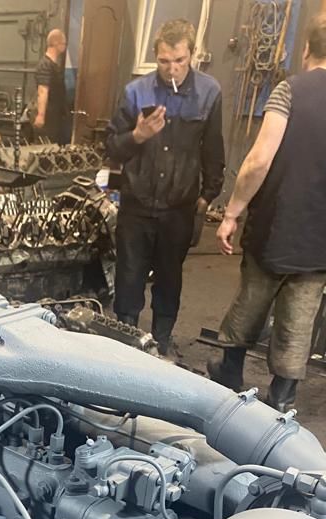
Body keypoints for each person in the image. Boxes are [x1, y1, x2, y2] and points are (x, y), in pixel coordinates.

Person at [211, 14, 326, 412]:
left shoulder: (288, 91)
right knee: (301, 317)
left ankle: (229, 375)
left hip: (276, 227)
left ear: (306, 49)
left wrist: (232, 213)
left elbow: (259, 161)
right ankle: (281, 401)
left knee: (252, 301)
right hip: (320, 241)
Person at [107, 19, 224, 354]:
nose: (172, 69)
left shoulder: (209, 93)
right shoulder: (136, 92)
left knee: (169, 279)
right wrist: (137, 135)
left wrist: (206, 197)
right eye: (164, 61)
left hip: (179, 209)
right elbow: (112, 147)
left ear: (193, 55)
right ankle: (125, 341)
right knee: (129, 277)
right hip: (137, 205)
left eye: (180, 61)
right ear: (154, 56)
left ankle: (161, 341)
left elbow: (213, 150)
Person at [34, 29, 68, 144]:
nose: (65, 47)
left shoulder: (53, 65)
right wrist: (41, 115)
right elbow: (42, 90)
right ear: (56, 43)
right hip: (48, 119)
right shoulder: (45, 65)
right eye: (64, 43)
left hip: (55, 117)